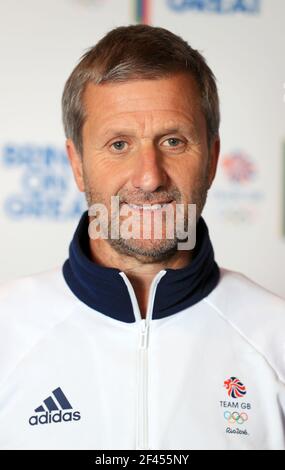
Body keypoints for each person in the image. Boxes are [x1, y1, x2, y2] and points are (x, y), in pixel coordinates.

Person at [0, 24, 284, 451]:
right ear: (77, 164)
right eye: (118, 145)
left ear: (211, 159)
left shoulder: (276, 337)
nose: (149, 177)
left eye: (173, 141)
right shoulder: (8, 330)